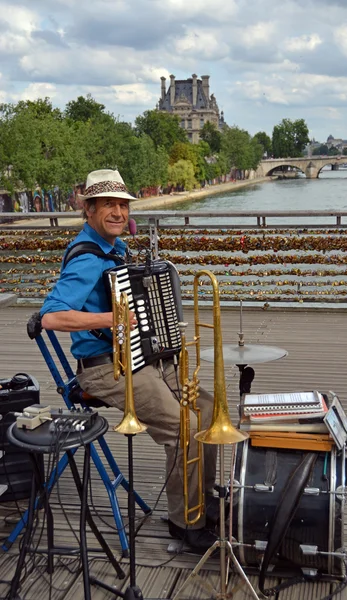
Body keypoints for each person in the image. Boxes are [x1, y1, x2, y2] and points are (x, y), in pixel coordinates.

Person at [40, 169, 218, 552]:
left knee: (207, 407)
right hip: (105, 368)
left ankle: (202, 499)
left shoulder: (115, 248)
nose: (119, 212)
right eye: (109, 205)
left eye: (123, 205)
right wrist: (111, 319)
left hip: (140, 357)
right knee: (184, 427)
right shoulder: (86, 258)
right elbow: (51, 316)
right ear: (89, 210)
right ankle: (185, 522)